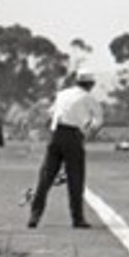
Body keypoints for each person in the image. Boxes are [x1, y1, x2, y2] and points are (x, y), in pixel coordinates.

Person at [26, 71, 102, 229]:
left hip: (56, 135)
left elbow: (50, 114)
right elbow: (98, 122)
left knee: (45, 177)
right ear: (91, 85)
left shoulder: (62, 94)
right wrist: (88, 133)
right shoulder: (89, 98)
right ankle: (77, 218)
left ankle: (35, 215)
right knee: (75, 178)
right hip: (73, 136)